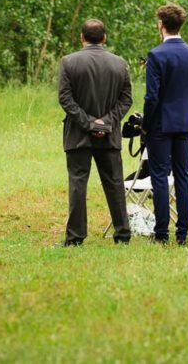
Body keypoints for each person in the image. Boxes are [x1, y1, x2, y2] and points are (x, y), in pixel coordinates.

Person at [56, 19, 134, 246]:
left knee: (78, 184)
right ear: (104, 38)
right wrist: (105, 122)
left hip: (78, 135)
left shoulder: (69, 62)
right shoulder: (119, 63)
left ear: (82, 37)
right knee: (115, 184)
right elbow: (126, 98)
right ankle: (122, 234)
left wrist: (89, 123)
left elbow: (65, 98)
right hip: (109, 134)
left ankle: (75, 237)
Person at [142, 3, 188, 245]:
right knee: (182, 175)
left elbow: (152, 96)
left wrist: (146, 124)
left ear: (161, 24)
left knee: (159, 176)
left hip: (160, 123)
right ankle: (182, 232)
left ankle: (161, 233)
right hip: (184, 122)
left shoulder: (156, 54)